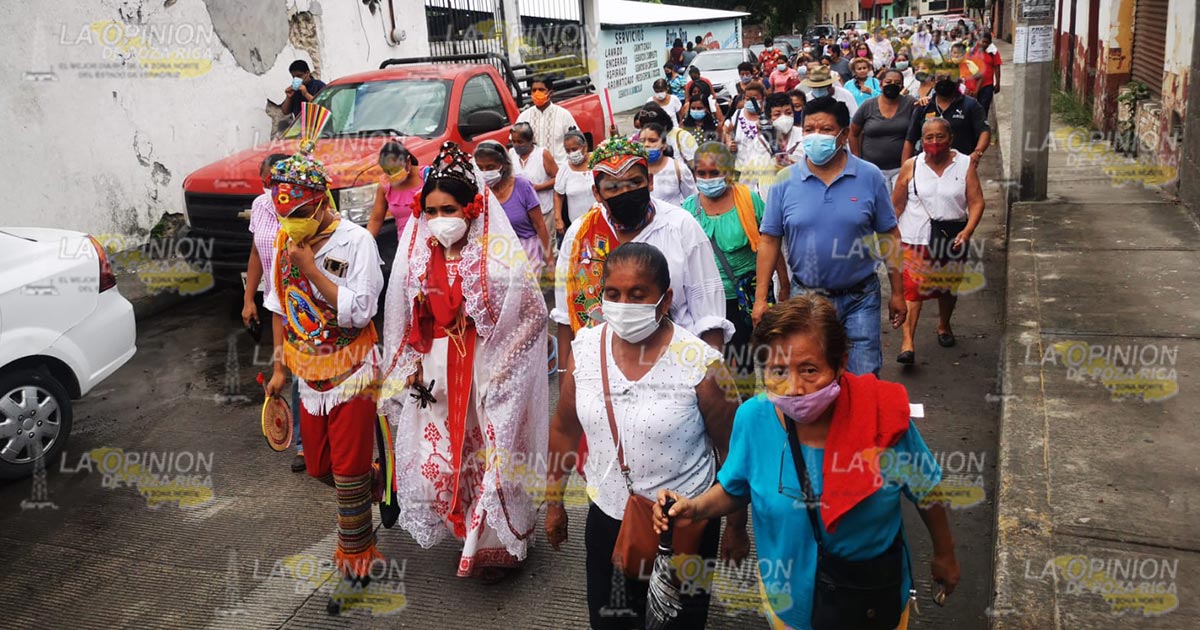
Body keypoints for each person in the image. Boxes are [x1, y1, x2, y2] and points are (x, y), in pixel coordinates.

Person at [653, 295, 961, 630]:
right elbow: (737, 486)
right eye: (778, 371)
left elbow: (926, 488)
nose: (794, 387)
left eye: (810, 370)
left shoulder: (883, 417)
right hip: (789, 606)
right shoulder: (753, 418)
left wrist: (944, 553)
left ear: (840, 364)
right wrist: (694, 508)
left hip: (871, 602)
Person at [545, 242, 745, 629]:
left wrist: (736, 527)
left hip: (683, 526)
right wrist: (554, 502)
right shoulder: (585, 350)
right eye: (613, 294)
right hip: (607, 518)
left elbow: (733, 453)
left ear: (665, 298)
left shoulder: (702, 364)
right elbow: (563, 428)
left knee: (677, 622)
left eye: (638, 294)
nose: (624, 304)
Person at [380, 141, 548, 583]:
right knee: (446, 455)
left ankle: (495, 545)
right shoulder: (417, 257)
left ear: (472, 208)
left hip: (486, 373)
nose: (439, 220)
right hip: (436, 373)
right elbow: (406, 314)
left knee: (493, 452)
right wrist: (411, 364)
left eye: (448, 208)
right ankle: (463, 525)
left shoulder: (496, 261)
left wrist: (503, 367)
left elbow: (533, 315)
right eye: (430, 210)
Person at [262, 107, 386, 591]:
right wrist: (278, 369)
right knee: (318, 467)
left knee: (349, 472)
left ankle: (357, 553)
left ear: (320, 204)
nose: (289, 224)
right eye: (282, 215)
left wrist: (313, 268)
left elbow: (360, 310)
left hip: (353, 367)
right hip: (307, 373)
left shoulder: (356, 244)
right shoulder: (284, 246)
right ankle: (375, 479)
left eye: (296, 215)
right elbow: (279, 306)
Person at [551, 136, 733, 376]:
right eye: (613, 187)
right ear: (597, 193)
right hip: (602, 373)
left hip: (677, 368)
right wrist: (566, 377)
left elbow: (709, 316)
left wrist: (710, 379)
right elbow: (566, 318)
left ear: (649, 181)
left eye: (634, 182)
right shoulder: (581, 235)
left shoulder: (680, 226)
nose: (625, 192)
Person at [754, 97, 907, 377]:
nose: (816, 136)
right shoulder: (784, 181)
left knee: (863, 376)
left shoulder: (868, 176)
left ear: (844, 134)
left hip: (860, 296)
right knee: (812, 374)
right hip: (808, 299)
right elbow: (769, 240)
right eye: (809, 129)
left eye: (825, 130)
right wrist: (761, 298)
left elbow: (889, 235)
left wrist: (898, 292)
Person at [683, 142, 790, 389]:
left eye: (715, 173)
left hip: (748, 296)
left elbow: (770, 244)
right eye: (702, 174)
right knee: (717, 363)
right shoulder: (688, 210)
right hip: (708, 301)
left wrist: (783, 285)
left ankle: (753, 407)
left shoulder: (749, 201)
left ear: (729, 173)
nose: (708, 179)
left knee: (751, 359)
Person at [892, 118, 985, 364]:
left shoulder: (965, 164)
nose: (934, 142)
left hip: (951, 239)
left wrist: (968, 230)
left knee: (947, 286)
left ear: (950, 138)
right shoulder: (911, 166)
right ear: (922, 141)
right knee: (912, 290)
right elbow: (897, 204)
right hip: (914, 238)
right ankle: (908, 343)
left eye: (940, 137)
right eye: (928, 138)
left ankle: (944, 325)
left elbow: (976, 202)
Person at [243, 152, 305, 473]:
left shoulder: (302, 212)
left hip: (304, 305)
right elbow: (256, 251)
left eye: (279, 182)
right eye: (268, 182)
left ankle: (307, 444)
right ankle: (305, 445)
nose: (273, 188)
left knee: (301, 375)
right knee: (291, 373)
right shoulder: (260, 206)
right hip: (276, 303)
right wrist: (248, 298)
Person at [474, 140, 554, 277]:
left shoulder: (522, 186)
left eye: (490, 167)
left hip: (527, 253)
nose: (485, 172)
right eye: (481, 168)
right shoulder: (479, 191)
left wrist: (550, 261)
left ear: (503, 165)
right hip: (496, 256)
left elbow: (539, 225)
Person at [902, 66, 991, 168]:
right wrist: (906, 169)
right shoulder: (923, 107)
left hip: (961, 167)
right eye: (940, 78)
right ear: (932, 82)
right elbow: (910, 139)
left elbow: (984, 131)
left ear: (958, 81)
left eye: (950, 78)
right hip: (927, 168)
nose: (945, 81)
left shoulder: (971, 105)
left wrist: (977, 153)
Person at [850, 69, 917, 186]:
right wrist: (857, 159)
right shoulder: (868, 105)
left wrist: (924, 102)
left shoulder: (909, 103)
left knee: (898, 203)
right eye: (888, 82)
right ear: (880, 84)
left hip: (901, 168)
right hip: (873, 168)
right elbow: (853, 133)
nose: (892, 85)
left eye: (897, 83)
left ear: (902, 86)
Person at [509, 121, 559, 248]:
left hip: (543, 211)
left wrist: (537, 188)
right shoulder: (511, 155)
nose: (516, 145)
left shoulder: (542, 154)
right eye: (514, 142)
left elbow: (558, 179)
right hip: (522, 214)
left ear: (530, 140)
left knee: (546, 248)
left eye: (520, 142)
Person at [516, 76, 579, 164]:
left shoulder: (563, 115)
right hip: (534, 171)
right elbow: (515, 144)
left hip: (559, 168)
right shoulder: (524, 117)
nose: (537, 93)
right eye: (534, 90)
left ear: (551, 93)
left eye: (541, 90)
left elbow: (577, 142)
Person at [367, 141, 423, 239]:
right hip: (404, 245)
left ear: (408, 162)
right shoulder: (385, 186)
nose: (393, 175)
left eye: (396, 169)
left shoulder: (426, 176)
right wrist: (365, 242)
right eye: (388, 171)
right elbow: (375, 221)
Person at [640, 123, 696, 207]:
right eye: (642, 141)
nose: (646, 145)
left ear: (664, 145)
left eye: (652, 140)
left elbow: (693, 201)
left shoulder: (679, 169)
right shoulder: (636, 170)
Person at [554, 129, 596, 234]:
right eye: (567, 151)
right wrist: (558, 219)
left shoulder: (597, 161)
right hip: (578, 226)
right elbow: (558, 195)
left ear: (584, 147)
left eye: (574, 149)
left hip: (601, 221)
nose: (571, 153)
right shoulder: (564, 169)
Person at [969, 32, 1002, 117]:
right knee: (971, 109)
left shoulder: (993, 52)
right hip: (973, 86)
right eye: (982, 41)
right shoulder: (972, 51)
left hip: (987, 85)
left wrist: (998, 83)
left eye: (986, 42)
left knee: (983, 108)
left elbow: (997, 67)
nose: (984, 44)